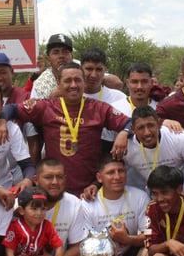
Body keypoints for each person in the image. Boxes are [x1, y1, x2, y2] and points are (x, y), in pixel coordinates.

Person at [9, 62, 132, 195]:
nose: (73, 85)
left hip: (90, 191)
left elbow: (131, 123)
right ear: (58, 82)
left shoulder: (99, 108)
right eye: (68, 80)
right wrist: (1, 122)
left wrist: (124, 133)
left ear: (84, 81)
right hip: (55, 191)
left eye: (77, 80)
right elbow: (11, 109)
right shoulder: (46, 107)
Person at [82, 156, 151, 256]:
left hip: (130, 255)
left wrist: (127, 239)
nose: (117, 177)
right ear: (99, 177)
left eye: (121, 171)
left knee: (153, 254)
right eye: (110, 173)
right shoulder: (88, 203)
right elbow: (85, 244)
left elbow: (149, 236)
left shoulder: (139, 196)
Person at [124, 105, 184, 196]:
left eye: (151, 125)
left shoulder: (178, 138)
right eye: (141, 128)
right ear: (133, 129)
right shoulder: (126, 147)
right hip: (155, 201)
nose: (147, 133)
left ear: (159, 124)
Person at [30, 33, 74, 100]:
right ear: (48, 59)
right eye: (56, 53)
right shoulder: (40, 84)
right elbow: (34, 109)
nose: (61, 56)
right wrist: (50, 102)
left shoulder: (83, 76)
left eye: (65, 52)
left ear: (72, 57)